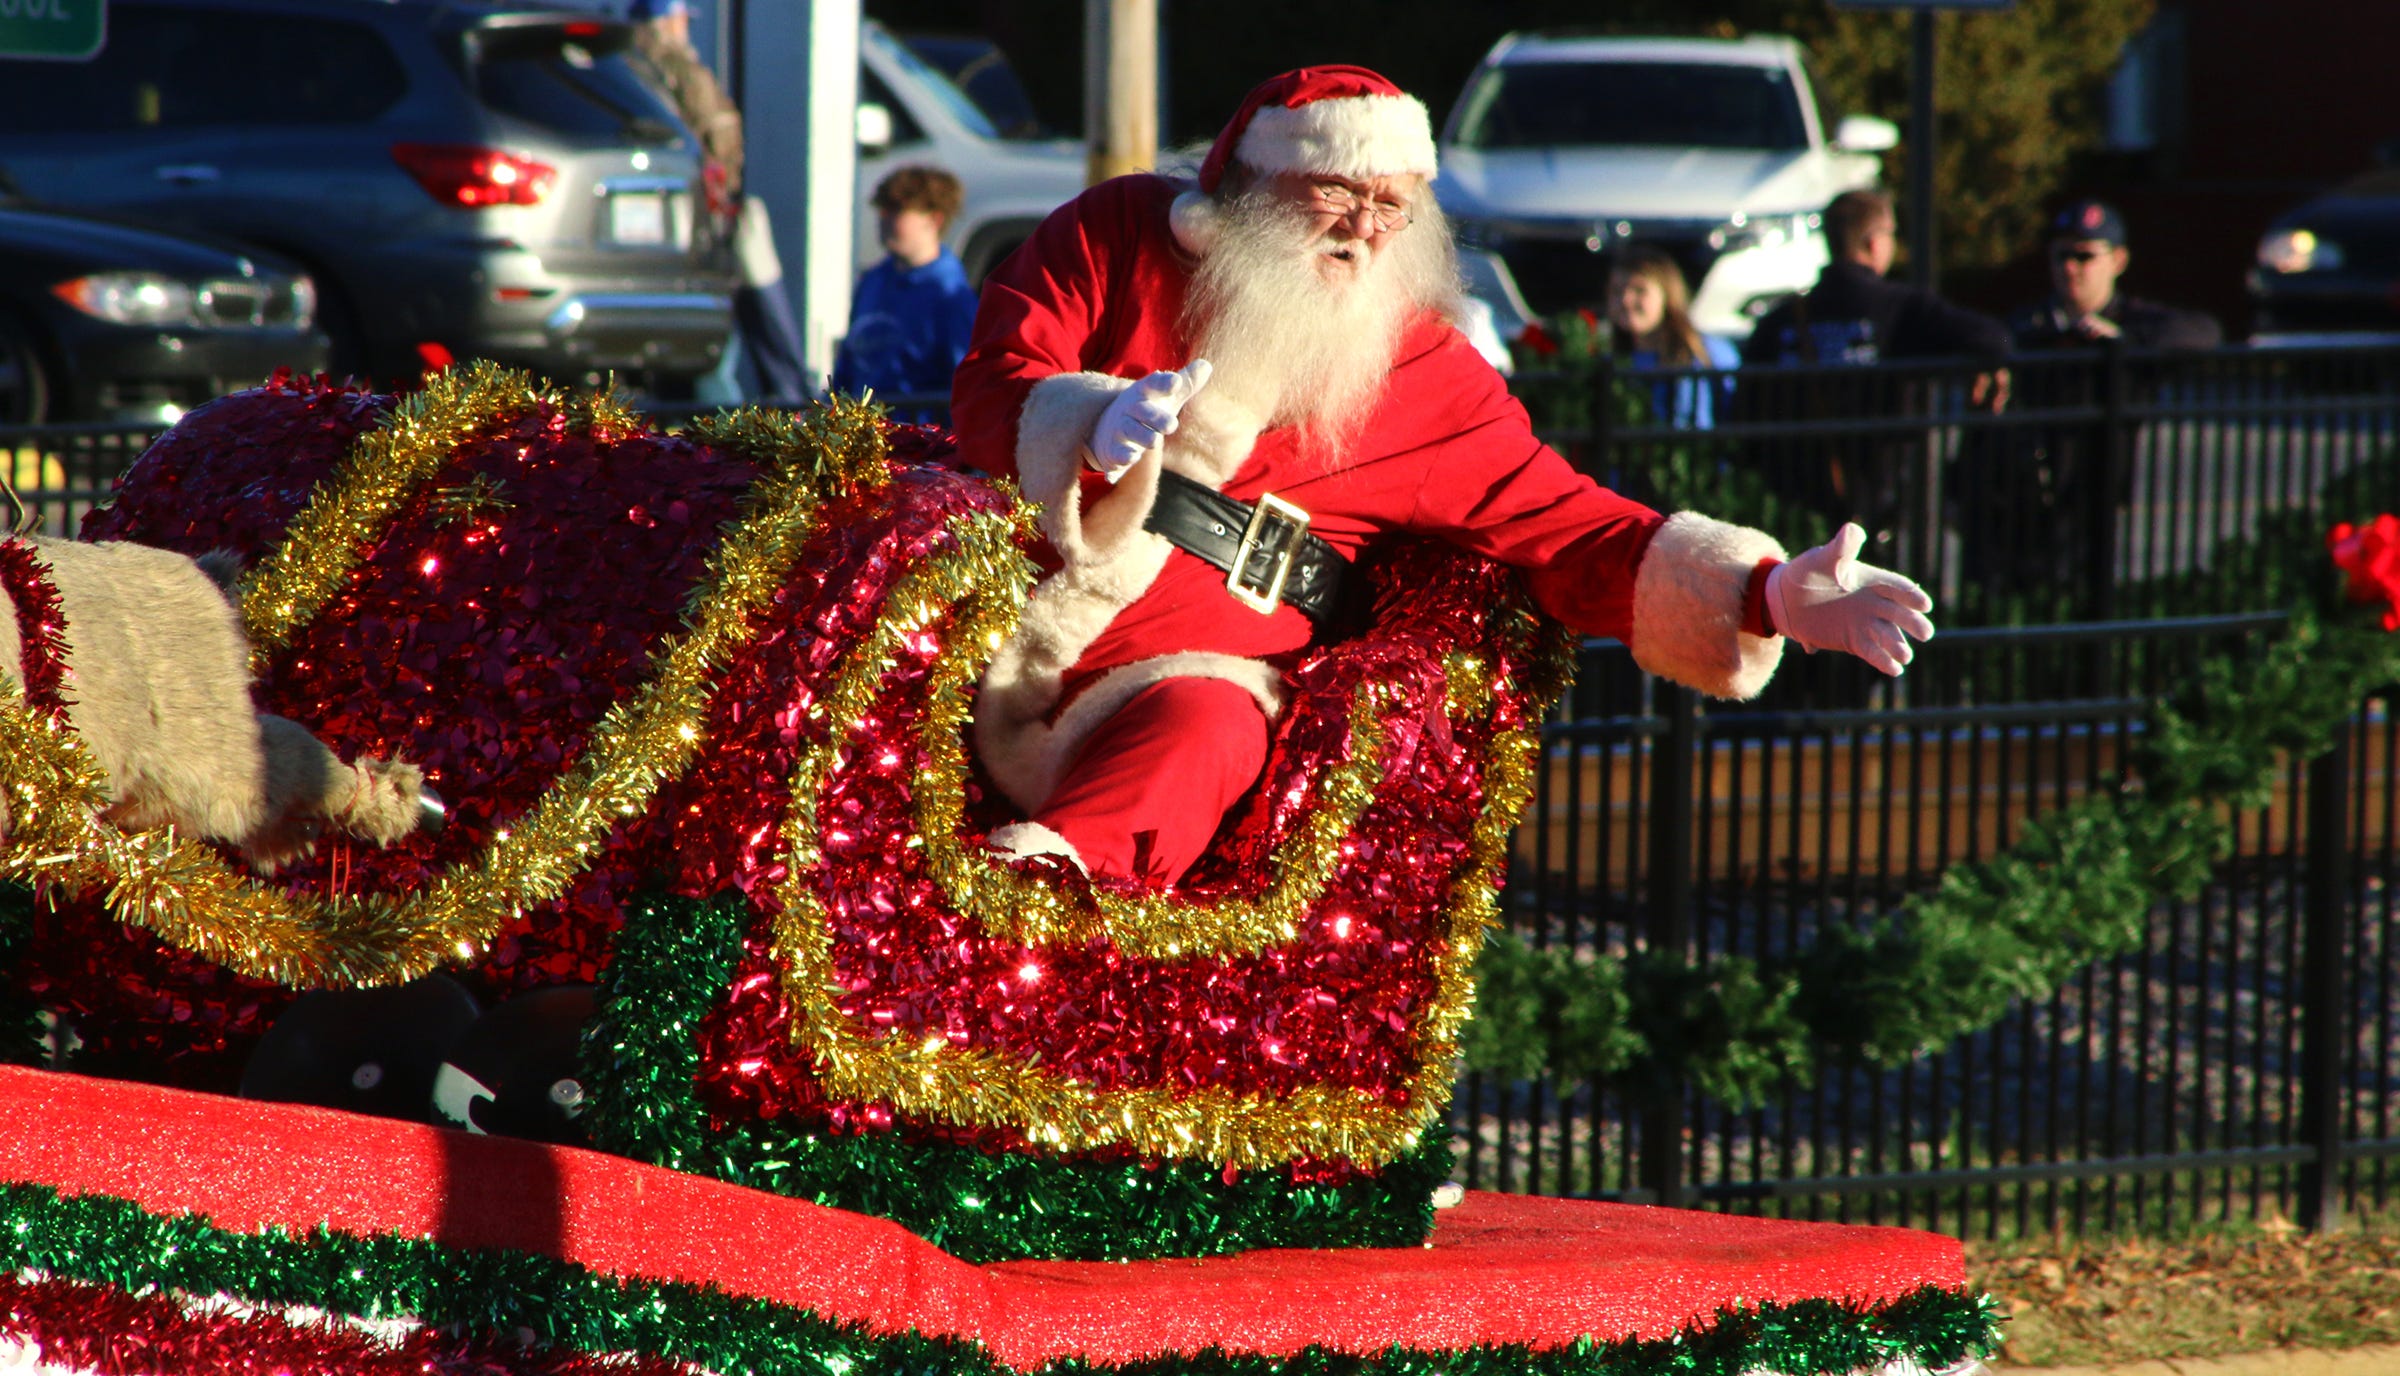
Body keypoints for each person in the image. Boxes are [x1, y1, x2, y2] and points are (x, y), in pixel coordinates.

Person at [948, 65, 1936, 886]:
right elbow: (996, 382)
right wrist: (1089, 421)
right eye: (1336, 191)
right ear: (1249, 186)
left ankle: (1038, 899)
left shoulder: (1422, 368)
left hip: (1177, 679)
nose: (1363, 229)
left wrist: (1765, 593)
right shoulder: (1120, 235)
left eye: (1391, 205)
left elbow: (1575, 528)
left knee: (1208, 725)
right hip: (998, 611)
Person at [1958, 201, 2223, 610]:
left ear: (2118, 260)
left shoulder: (2133, 322)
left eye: (2085, 256)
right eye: (2063, 255)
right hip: (2017, 506)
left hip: (2089, 503)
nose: (2071, 268)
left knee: (2082, 611)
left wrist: (2120, 345)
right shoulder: (2029, 326)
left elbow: (2204, 333)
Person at [1740, 190, 2010, 545]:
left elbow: (1744, 412)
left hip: (1793, 510)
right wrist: (1990, 365)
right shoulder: (1900, 307)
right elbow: (1994, 338)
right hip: (1884, 503)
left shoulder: (1781, 320)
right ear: (1874, 242)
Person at [628, 0, 809, 404]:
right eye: (679, 21)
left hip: (650, 236)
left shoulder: (620, 68)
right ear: (666, 23)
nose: (685, 30)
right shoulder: (681, 69)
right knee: (717, 344)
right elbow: (721, 132)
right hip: (703, 223)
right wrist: (724, 187)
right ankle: (775, 409)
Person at [831, 167, 983, 415]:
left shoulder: (950, 295)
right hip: (859, 440)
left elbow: (966, 390)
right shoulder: (873, 281)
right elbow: (847, 369)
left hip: (912, 446)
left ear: (933, 219)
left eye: (897, 211)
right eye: (882, 209)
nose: (884, 218)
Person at [1607, 244, 1739, 429]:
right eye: (1617, 291)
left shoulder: (1706, 353)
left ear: (1667, 295)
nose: (1625, 300)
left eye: (1639, 290)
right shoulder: (1611, 359)